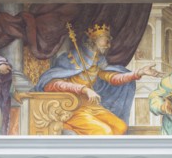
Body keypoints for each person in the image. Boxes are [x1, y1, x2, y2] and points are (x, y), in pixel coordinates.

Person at [33, 24, 163, 135]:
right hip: (72, 109)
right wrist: (84, 90)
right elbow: (51, 84)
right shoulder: (70, 58)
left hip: (91, 106)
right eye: (106, 39)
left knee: (121, 127)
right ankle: (68, 128)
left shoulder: (99, 61)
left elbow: (113, 78)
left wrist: (138, 73)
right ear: (95, 39)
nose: (108, 44)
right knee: (105, 133)